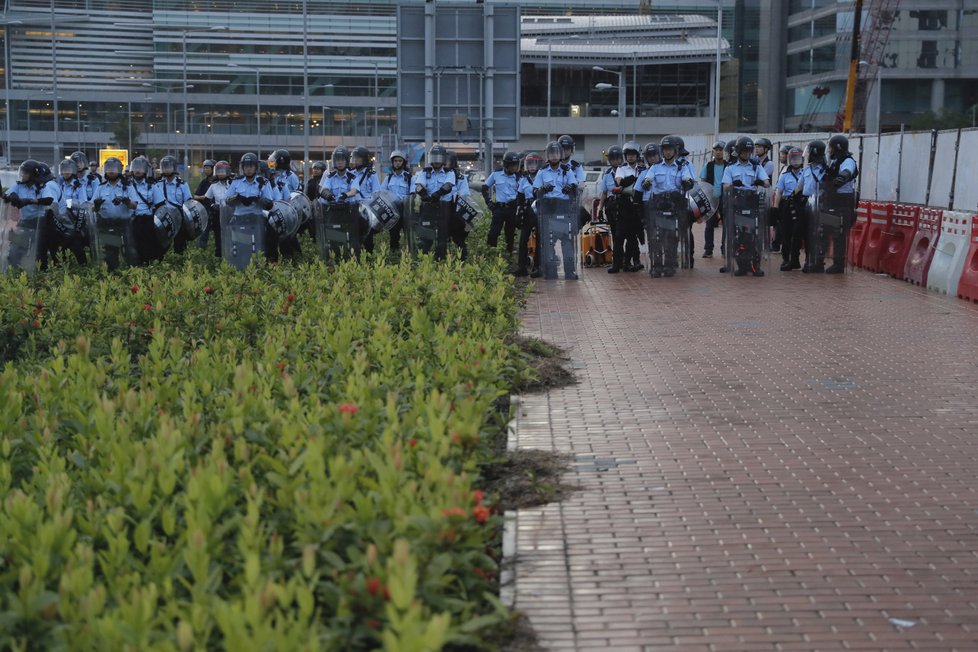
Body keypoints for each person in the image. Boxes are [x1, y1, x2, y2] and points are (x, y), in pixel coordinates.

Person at [641, 135, 695, 278]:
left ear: (675, 151)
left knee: (671, 236)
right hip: (658, 205)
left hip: (674, 205)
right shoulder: (655, 167)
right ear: (662, 151)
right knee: (656, 237)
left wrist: (688, 182)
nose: (668, 152)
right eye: (665, 149)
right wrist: (646, 183)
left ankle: (670, 265)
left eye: (670, 149)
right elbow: (648, 178)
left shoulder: (681, 167)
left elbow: (687, 178)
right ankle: (656, 266)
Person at [721, 136, 770, 276]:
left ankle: (755, 266)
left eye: (749, 151)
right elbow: (725, 187)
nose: (747, 154)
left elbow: (766, 182)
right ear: (738, 151)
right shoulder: (730, 168)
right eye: (744, 151)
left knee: (753, 236)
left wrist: (760, 182)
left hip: (752, 203)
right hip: (737, 203)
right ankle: (742, 266)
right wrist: (732, 185)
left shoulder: (756, 166)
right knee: (740, 236)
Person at [811, 134, 858, 274]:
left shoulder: (848, 161)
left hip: (842, 203)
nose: (829, 151)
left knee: (839, 234)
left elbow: (847, 172)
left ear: (837, 148)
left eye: (831, 148)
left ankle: (838, 265)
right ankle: (819, 262)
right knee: (823, 233)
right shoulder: (834, 162)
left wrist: (840, 179)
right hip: (831, 202)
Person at [532, 141, 578, 280]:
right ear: (547, 155)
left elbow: (575, 188)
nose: (554, 156)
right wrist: (542, 190)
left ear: (561, 154)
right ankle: (551, 271)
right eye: (551, 153)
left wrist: (571, 188)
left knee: (566, 241)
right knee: (548, 242)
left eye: (556, 153)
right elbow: (535, 191)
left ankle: (570, 272)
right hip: (548, 209)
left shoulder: (567, 170)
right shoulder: (542, 171)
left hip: (563, 208)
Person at [1, 159, 58, 271]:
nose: (22, 175)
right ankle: (16, 275)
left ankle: (42, 277)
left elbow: (48, 200)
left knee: (39, 253)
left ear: (33, 174)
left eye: (25, 173)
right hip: (25, 223)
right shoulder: (18, 186)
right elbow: (7, 196)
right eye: (22, 172)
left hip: (39, 223)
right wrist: (11, 196)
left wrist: (29, 201)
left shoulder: (42, 187)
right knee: (15, 251)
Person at [410, 144, 457, 259]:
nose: (436, 161)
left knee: (442, 238)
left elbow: (448, 186)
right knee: (425, 237)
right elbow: (418, 186)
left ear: (444, 159)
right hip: (428, 207)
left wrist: (437, 194)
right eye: (434, 157)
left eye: (439, 158)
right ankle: (423, 262)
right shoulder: (424, 172)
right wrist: (425, 196)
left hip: (443, 208)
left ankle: (440, 262)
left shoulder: (449, 173)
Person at [609, 141, 643, 273]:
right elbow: (619, 181)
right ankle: (616, 264)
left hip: (636, 206)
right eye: (628, 154)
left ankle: (628, 263)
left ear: (637, 155)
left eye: (633, 154)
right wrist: (634, 180)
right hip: (623, 205)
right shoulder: (621, 168)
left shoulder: (642, 169)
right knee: (619, 236)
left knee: (632, 237)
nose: (630, 157)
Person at [773, 146, 807, 271]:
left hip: (801, 206)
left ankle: (795, 260)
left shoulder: (806, 173)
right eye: (793, 158)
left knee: (797, 234)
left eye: (798, 158)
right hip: (787, 206)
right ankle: (786, 259)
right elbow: (779, 192)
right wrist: (776, 207)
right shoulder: (784, 175)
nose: (795, 161)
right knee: (786, 234)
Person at [151, 155, 192, 255]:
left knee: (180, 245)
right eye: (164, 167)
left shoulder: (182, 184)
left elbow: (188, 202)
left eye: (168, 167)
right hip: (163, 218)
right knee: (161, 245)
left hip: (179, 218)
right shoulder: (157, 184)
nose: (166, 169)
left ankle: (179, 262)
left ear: (174, 168)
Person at [482, 151, 521, 256]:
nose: (515, 168)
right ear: (506, 165)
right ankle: (491, 254)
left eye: (516, 165)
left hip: (513, 208)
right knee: (493, 232)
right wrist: (488, 201)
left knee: (510, 233)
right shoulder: (496, 174)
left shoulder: (519, 177)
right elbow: (484, 188)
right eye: (513, 165)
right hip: (499, 208)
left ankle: (509, 255)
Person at [801, 139, 827, 273]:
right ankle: (808, 261)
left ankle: (819, 261)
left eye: (809, 152)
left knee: (820, 234)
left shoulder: (825, 171)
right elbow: (799, 188)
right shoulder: (806, 170)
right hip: (808, 205)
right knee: (808, 234)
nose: (807, 155)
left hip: (820, 205)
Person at [514, 151, 542, 277]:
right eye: (529, 164)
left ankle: (537, 266)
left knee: (540, 239)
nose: (531, 166)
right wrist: (518, 212)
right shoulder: (523, 180)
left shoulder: (542, 177)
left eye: (534, 164)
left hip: (540, 210)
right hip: (527, 210)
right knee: (523, 239)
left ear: (538, 165)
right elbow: (519, 198)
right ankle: (522, 267)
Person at [128, 157, 158, 265]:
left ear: (145, 170)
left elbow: (160, 204)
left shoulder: (152, 186)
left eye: (140, 168)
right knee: (133, 246)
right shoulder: (126, 185)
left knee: (148, 246)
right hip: (132, 220)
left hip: (148, 220)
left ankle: (148, 266)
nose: (137, 171)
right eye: (135, 168)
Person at [380, 150, 412, 251]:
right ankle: (394, 253)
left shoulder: (409, 177)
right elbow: (382, 193)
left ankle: (410, 252)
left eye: (399, 161)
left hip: (405, 209)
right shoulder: (388, 178)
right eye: (395, 161)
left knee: (409, 233)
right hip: (392, 209)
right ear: (392, 163)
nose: (397, 163)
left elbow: (413, 194)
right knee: (393, 233)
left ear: (404, 163)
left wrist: (404, 200)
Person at [700, 141, 726, 259]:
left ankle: (725, 248)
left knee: (726, 225)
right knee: (709, 225)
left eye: (721, 149)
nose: (719, 152)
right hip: (711, 199)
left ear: (724, 152)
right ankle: (708, 249)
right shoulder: (708, 165)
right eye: (716, 150)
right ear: (713, 152)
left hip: (725, 198)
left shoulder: (728, 166)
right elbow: (703, 181)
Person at [445, 150, 472, 260]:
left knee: (458, 238)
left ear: (453, 162)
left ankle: (462, 259)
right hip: (441, 208)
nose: (444, 163)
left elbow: (464, 194)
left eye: (447, 161)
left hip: (455, 209)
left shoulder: (460, 177)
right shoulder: (439, 174)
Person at [202, 160, 231, 258]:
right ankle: (219, 256)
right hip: (218, 213)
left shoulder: (233, 184)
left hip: (231, 213)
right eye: (218, 171)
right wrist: (212, 205)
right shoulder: (213, 185)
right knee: (218, 236)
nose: (220, 174)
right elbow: (207, 199)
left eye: (222, 171)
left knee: (231, 235)